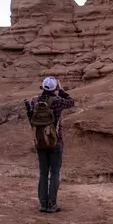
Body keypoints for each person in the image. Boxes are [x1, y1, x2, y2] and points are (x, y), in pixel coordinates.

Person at [23, 76, 75, 213]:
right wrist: (61, 90)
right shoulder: (57, 101)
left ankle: (43, 204)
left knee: (43, 173)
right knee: (55, 172)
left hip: (39, 142)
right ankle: (52, 204)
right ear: (54, 88)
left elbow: (31, 120)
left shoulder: (34, 101)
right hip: (55, 141)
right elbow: (71, 102)